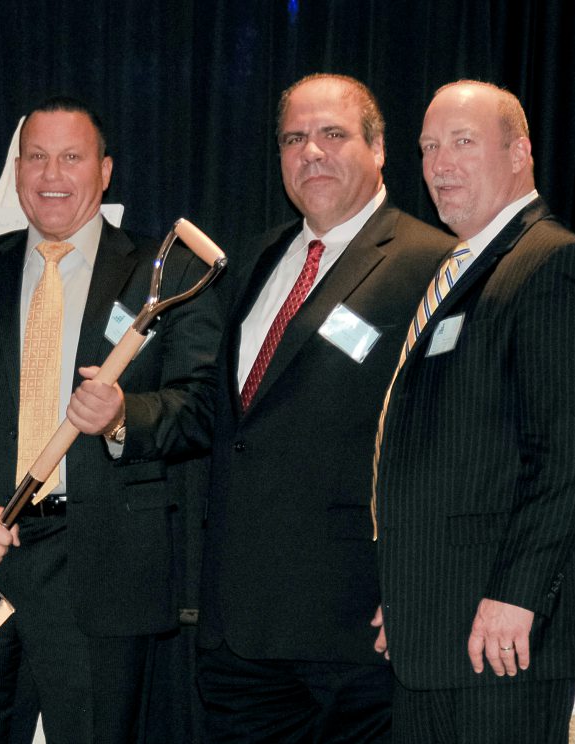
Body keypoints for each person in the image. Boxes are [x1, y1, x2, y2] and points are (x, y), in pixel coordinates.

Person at [0, 96, 221, 743]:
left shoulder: (164, 274)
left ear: (104, 171)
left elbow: (201, 408)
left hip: (103, 564)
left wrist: (121, 417)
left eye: (71, 157)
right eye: (37, 156)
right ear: (18, 169)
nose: (52, 173)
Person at [195, 73, 453, 742]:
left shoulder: (434, 263)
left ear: (379, 148)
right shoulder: (256, 256)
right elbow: (234, 423)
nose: (312, 151)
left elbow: (450, 444)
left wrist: (419, 590)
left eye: (333, 134)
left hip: (356, 626)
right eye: (294, 137)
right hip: (241, 631)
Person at [371, 80, 575, 742]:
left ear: (520, 153)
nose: (441, 164)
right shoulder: (458, 270)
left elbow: (566, 457)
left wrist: (518, 595)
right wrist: (408, 598)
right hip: (438, 633)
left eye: (463, 142)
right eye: (428, 147)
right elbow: (444, 454)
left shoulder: (554, 264)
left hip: (505, 638)